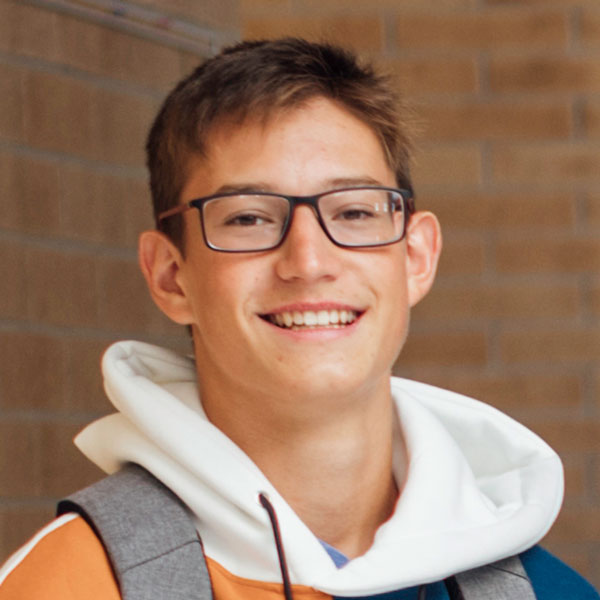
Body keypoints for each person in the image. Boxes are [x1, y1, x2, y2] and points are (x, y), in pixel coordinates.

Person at [0, 38, 597, 600]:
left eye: (356, 211)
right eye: (248, 218)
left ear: (415, 258)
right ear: (170, 276)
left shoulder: (550, 592)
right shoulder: (71, 584)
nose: (308, 261)